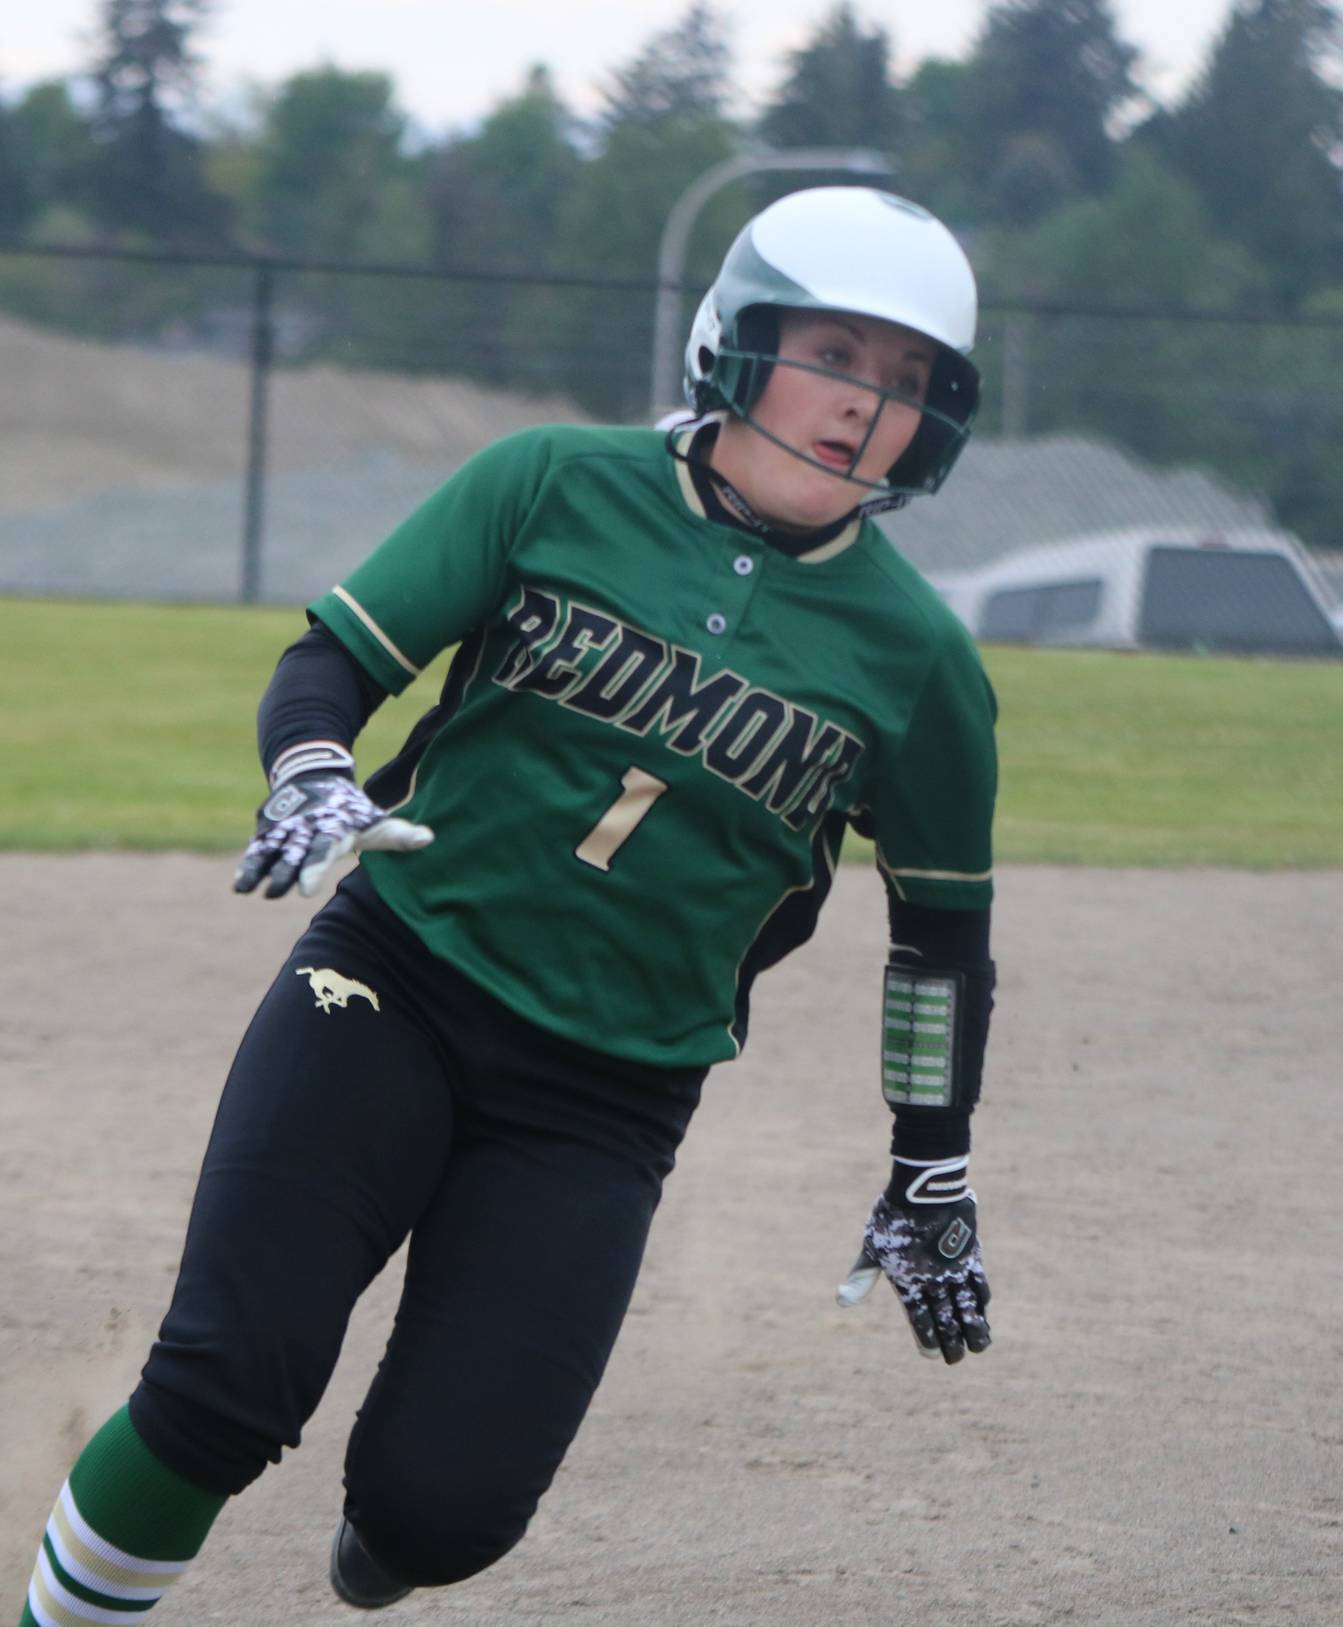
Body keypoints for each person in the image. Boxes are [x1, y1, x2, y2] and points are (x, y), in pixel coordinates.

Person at [15, 186, 999, 1625]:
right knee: (225, 1383)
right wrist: (310, 768)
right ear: (738, 338)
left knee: (443, 1513)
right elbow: (335, 661)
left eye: (906, 379)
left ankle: (396, 1523)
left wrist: (932, 1161)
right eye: (836, 355)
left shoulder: (920, 660)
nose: (867, 405)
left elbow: (940, 942)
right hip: (393, 981)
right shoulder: (551, 479)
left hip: (608, 1095)